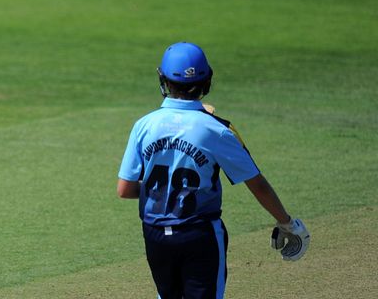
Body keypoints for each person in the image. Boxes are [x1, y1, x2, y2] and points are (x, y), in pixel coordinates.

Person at [116, 42, 310, 299]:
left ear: (162, 79)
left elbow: (125, 189)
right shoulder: (217, 130)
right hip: (200, 236)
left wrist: (165, 189)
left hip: (155, 236)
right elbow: (257, 184)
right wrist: (286, 222)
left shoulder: (143, 125)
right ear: (207, 82)